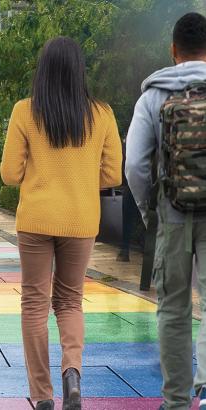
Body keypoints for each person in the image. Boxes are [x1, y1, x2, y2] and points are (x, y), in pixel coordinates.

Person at [0, 37, 122, 410]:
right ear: (79, 70)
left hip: (36, 219)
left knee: (35, 304)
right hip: (81, 220)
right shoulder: (102, 113)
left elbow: (9, 174)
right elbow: (113, 174)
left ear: (43, 70)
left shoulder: (25, 111)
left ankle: (42, 395)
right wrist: (81, 181)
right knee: (70, 302)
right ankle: (73, 374)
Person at [126, 12, 206, 410]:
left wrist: (149, 213)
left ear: (173, 50)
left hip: (171, 213)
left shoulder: (152, 96)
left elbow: (135, 166)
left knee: (174, 308)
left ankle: (175, 401)